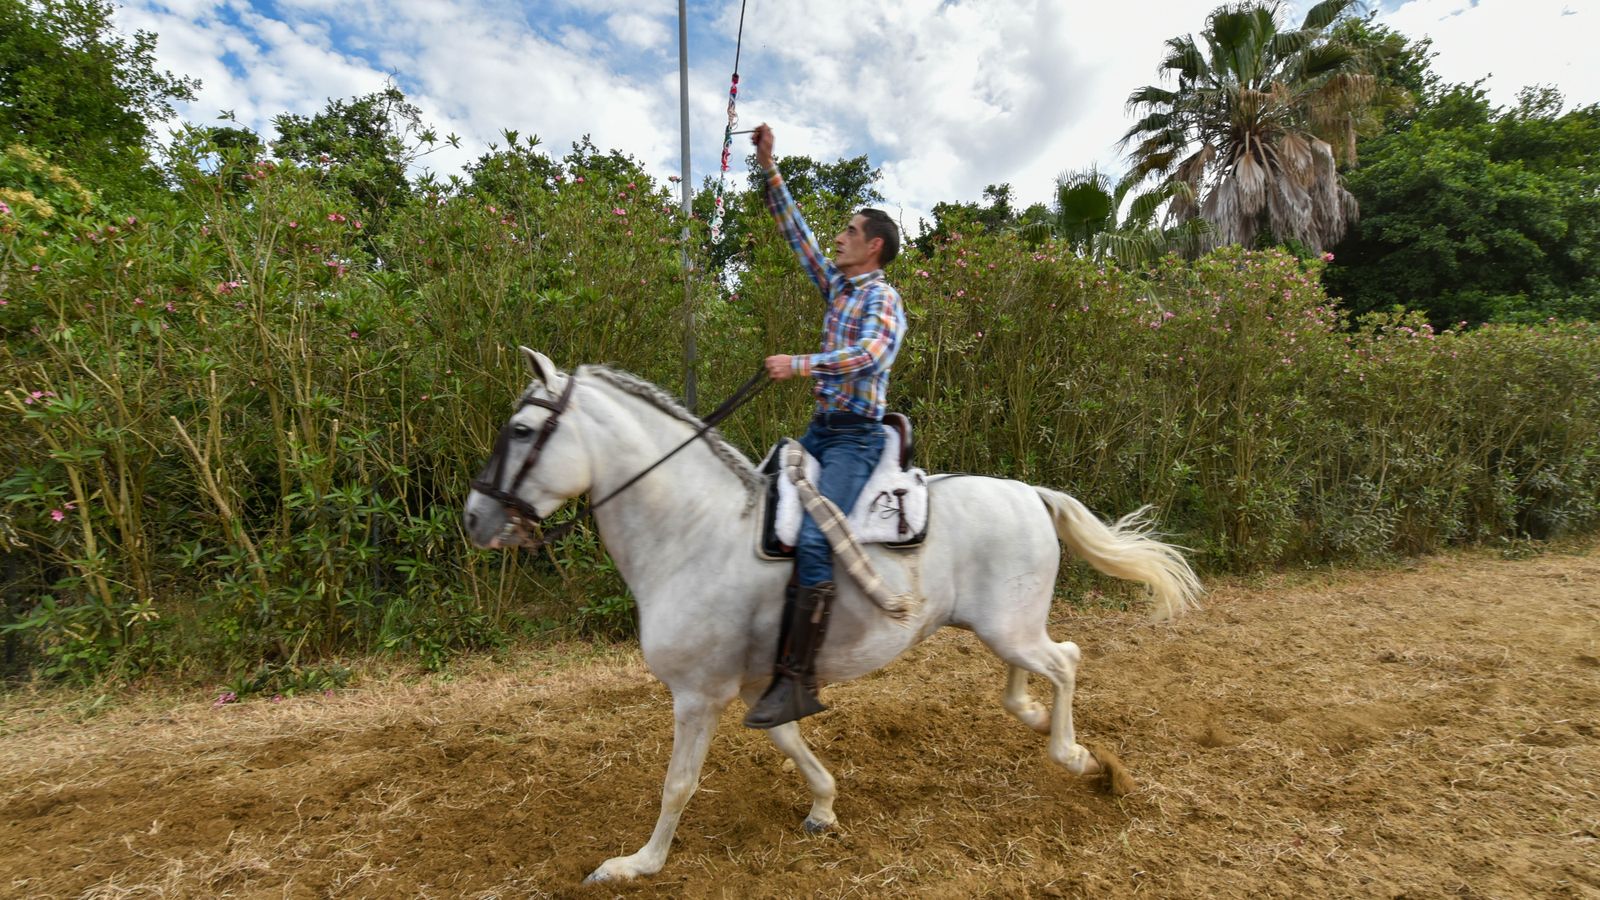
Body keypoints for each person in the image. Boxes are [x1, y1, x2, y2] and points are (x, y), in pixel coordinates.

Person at [743, 123, 907, 730]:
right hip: (820, 430)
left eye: (849, 232)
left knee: (814, 539)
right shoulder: (838, 286)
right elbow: (797, 235)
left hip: (856, 439)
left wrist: (799, 364)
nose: (837, 238)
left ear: (873, 249)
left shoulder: (882, 301)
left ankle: (797, 680)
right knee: (755, 508)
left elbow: (870, 355)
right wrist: (768, 164)